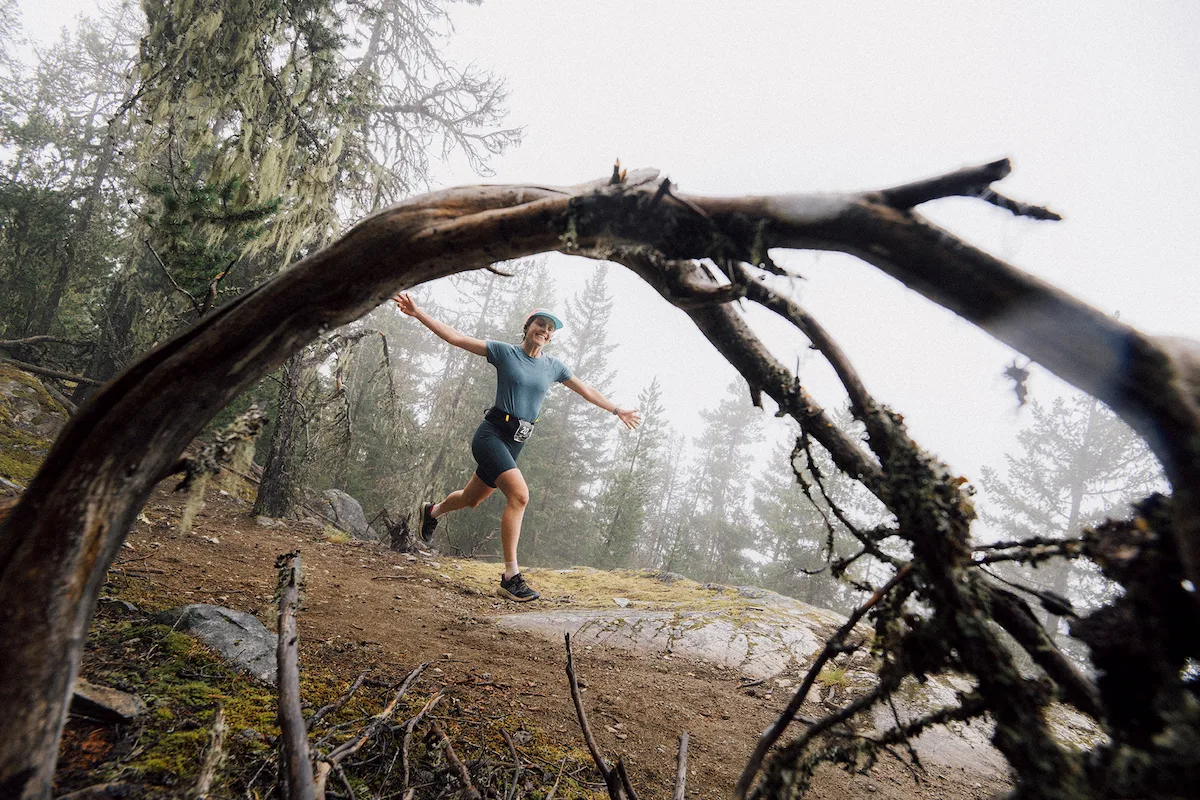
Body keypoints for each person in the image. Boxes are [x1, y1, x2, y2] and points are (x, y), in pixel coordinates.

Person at [393, 292, 642, 601]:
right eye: (541, 324)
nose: (546, 331)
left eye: (551, 329)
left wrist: (617, 410)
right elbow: (456, 338)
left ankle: (432, 511)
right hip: (491, 435)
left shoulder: (554, 367)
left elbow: (586, 390)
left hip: (516, 442)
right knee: (520, 496)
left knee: (472, 499)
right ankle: (511, 576)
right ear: (528, 326)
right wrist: (418, 313)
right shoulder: (504, 352)